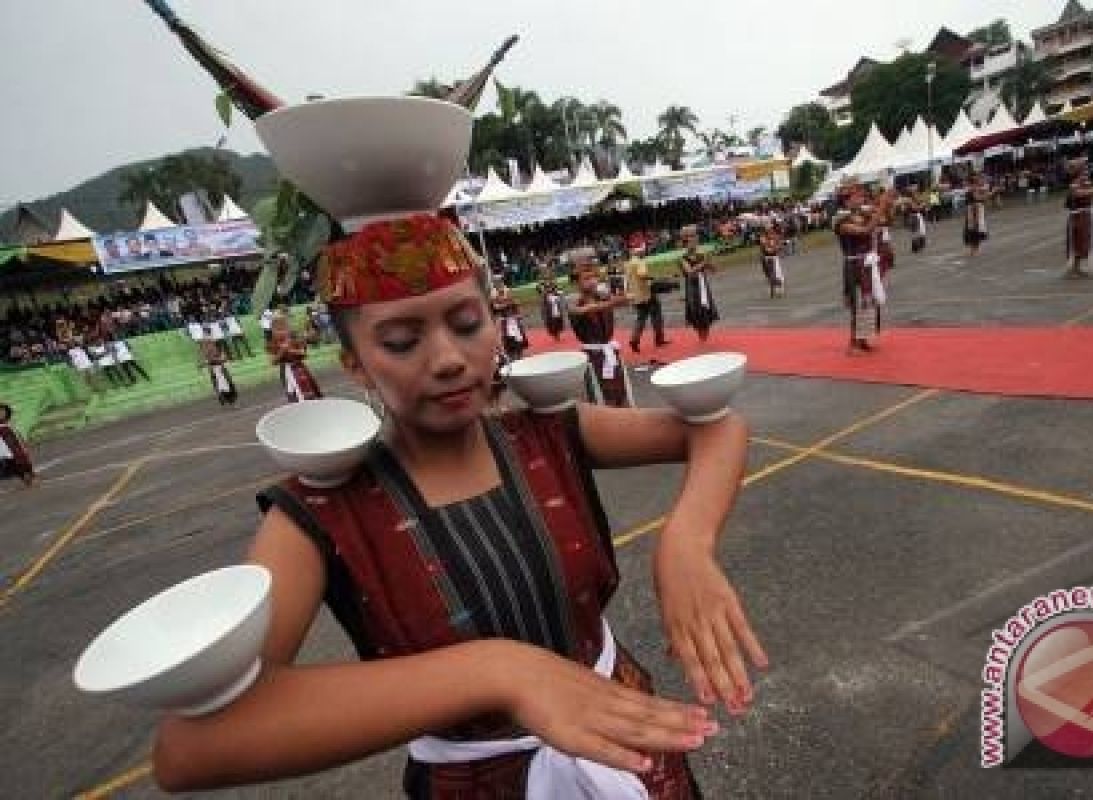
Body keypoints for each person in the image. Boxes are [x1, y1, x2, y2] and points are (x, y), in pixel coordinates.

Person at [150, 192, 765, 798]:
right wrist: (498, 672)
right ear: (355, 364)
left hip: (625, 743)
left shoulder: (546, 435)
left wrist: (686, 542)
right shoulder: (320, 511)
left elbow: (718, 427)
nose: (448, 358)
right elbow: (192, 748)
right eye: (400, 341)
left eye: (468, 324)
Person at [568, 252, 635, 407]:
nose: (592, 282)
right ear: (576, 282)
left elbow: (623, 299)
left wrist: (623, 294)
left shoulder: (602, 295)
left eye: (594, 277)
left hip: (610, 352)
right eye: (586, 279)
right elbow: (586, 309)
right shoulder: (572, 301)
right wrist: (614, 302)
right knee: (603, 396)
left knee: (621, 392)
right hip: (594, 355)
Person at [834, 192, 882, 353]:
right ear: (847, 202)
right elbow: (865, 231)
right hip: (853, 264)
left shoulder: (863, 214)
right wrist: (882, 206)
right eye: (856, 198)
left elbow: (883, 222)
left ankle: (863, 338)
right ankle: (852, 343)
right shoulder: (841, 221)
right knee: (856, 303)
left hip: (866, 263)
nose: (860, 199)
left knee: (868, 302)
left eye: (860, 197)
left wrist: (882, 208)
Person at [624, 240, 670, 356]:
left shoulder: (628, 263)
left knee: (641, 318)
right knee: (657, 316)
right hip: (646, 294)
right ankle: (659, 339)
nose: (644, 252)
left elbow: (627, 280)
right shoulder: (640, 262)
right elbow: (642, 274)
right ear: (640, 251)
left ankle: (634, 340)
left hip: (635, 295)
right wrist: (652, 278)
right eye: (643, 250)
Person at [678, 226, 718, 343]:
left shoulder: (701, 255)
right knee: (696, 313)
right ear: (686, 244)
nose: (694, 243)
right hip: (692, 288)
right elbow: (689, 271)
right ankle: (702, 338)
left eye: (695, 240)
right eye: (691, 241)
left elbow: (714, 270)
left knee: (706, 311)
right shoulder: (682, 258)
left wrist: (710, 263)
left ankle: (705, 338)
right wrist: (703, 263)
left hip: (703, 286)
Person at [270, 317, 322, 403]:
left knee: (309, 390)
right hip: (286, 371)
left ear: (287, 329)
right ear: (273, 331)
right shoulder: (273, 343)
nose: (281, 332)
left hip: (300, 368)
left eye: (283, 329)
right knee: (294, 393)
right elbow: (272, 361)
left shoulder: (294, 339)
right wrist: (281, 351)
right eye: (277, 330)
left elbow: (304, 354)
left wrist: (291, 351)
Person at [490, 278, 528, 361]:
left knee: (518, 337)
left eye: (500, 284)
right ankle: (512, 356)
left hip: (513, 320)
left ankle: (520, 355)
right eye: (497, 284)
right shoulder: (494, 297)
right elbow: (495, 309)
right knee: (508, 339)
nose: (499, 287)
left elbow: (515, 305)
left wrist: (518, 314)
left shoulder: (508, 294)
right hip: (504, 322)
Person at [0, 403, 36, 487]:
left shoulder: (8, 427)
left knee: (18, 464)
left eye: (3, 412)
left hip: (10, 455)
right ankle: (27, 475)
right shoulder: (5, 428)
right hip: (6, 456)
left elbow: (17, 441)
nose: (1, 414)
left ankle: (27, 475)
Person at [200, 339, 238, 407]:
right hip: (215, 372)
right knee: (220, 387)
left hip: (221, 370)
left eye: (210, 343)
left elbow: (224, 358)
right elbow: (208, 362)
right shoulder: (206, 353)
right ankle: (226, 401)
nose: (209, 345)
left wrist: (221, 359)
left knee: (228, 385)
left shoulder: (217, 349)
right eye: (207, 344)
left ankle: (231, 401)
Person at [963, 174, 992, 257]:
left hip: (975, 210)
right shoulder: (973, 188)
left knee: (975, 230)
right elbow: (979, 197)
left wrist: (988, 193)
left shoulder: (974, 188)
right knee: (973, 230)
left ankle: (974, 250)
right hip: (973, 210)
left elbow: (979, 198)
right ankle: (973, 250)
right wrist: (990, 192)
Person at [535, 265, 565, 342]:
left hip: (554, 302)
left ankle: (557, 332)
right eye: (544, 271)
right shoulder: (540, 284)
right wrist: (548, 290)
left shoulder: (553, 282)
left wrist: (558, 292)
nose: (546, 273)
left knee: (557, 317)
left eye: (546, 271)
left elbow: (558, 290)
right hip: (547, 304)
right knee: (550, 319)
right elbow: (541, 293)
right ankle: (554, 334)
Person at [759, 224, 785, 299]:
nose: (768, 231)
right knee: (768, 276)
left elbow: (779, 247)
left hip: (773, 258)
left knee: (773, 275)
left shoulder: (775, 237)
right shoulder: (763, 238)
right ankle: (774, 289)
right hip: (765, 258)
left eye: (769, 229)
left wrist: (776, 247)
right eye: (766, 230)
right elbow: (763, 247)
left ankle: (778, 287)